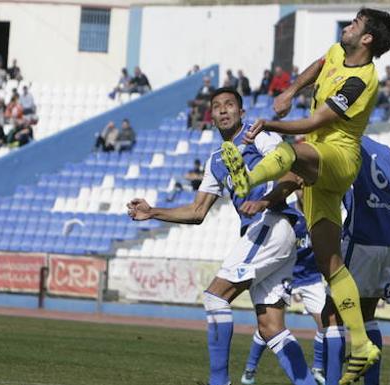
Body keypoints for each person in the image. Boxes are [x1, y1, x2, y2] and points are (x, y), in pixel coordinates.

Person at [218, 9, 390, 384]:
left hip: (338, 155)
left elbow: (317, 123)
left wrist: (270, 122)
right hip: (321, 173)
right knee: (329, 263)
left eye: (355, 24)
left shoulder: (360, 81)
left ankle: (245, 178)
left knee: (292, 150)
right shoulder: (339, 52)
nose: (348, 26)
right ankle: (363, 345)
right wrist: (290, 89)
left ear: (367, 40)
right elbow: (319, 65)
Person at [127, 88, 318, 385]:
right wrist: (153, 212)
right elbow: (197, 211)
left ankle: (219, 382)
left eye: (230, 105)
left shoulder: (259, 136)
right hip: (270, 233)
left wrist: (265, 201)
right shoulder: (216, 160)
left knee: (215, 297)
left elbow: (292, 176)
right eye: (217, 107)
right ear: (212, 116)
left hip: (272, 222)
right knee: (270, 327)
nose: (223, 110)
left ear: (242, 112)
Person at [239, 136, 390, 385]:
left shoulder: (335, 147)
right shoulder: (385, 150)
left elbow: (296, 177)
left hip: (362, 238)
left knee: (332, 314)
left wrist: (265, 199)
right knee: (367, 314)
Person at [241, 194, 327, 385]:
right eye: (302, 188)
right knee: (270, 326)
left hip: (311, 278)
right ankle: (250, 369)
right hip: (286, 274)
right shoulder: (286, 215)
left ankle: (318, 368)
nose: (305, 192)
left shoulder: (322, 215)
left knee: (326, 323)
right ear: (296, 190)